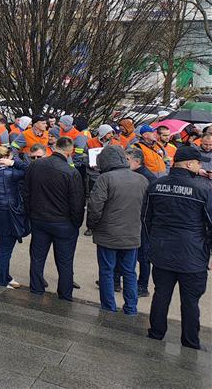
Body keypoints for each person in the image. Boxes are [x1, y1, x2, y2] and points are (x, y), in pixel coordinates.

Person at [143, 145, 212, 350]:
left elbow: (146, 219)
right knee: (190, 301)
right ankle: (190, 342)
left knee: (161, 295)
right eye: (198, 163)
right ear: (190, 164)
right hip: (193, 255)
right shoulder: (203, 189)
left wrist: (152, 244)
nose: (200, 167)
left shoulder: (156, 185)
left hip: (162, 251)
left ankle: (156, 333)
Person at [86, 145, 149, 315]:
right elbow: (146, 209)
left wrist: (92, 226)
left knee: (107, 271)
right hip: (132, 234)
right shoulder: (142, 180)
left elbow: (95, 207)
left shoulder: (105, 179)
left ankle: (108, 307)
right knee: (129, 272)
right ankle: (131, 308)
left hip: (108, 235)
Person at [25, 135, 85, 301]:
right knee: (65, 262)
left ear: (54, 147)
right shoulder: (71, 172)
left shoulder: (35, 165)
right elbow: (77, 202)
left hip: (39, 219)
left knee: (37, 258)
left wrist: (31, 214)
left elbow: (26, 192)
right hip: (63, 223)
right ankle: (65, 295)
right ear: (70, 151)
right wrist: (76, 223)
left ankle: (36, 288)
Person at [0, 146, 29, 288]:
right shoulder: (9, 173)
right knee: (6, 248)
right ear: (5, 158)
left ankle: (5, 276)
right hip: (9, 213)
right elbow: (30, 169)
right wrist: (14, 163)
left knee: (2, 245)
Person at [126, 146, 156, 297]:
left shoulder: (148, 178)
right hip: (131, 218)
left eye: (127, 159)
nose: (124, 162)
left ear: (137, 161)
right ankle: (116, 279)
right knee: (124, 249)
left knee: (143, 255)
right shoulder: (131, 174)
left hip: (143, 220)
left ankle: (142, 286)